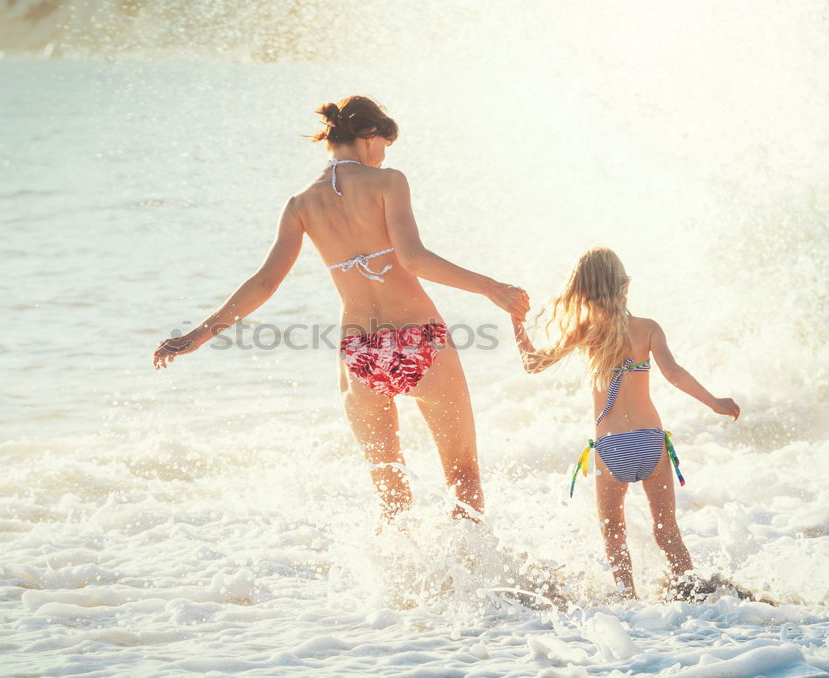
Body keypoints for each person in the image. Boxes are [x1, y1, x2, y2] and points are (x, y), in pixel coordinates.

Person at [154, 95, 529, 521]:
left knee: (391, 495)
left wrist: (199, 335)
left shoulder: (300, 204)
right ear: (370, 136)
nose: (385, 155)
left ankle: (400, 585)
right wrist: (491, 288)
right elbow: (413, 259)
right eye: (385, 143)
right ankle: (473, 579)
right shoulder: (388, 181)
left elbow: (263, 283)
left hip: (359, 354)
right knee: (462, 476)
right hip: (419, 339)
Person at [510, 247, 739, 599]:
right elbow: (674, 373)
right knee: (667, 531)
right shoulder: (647, 328)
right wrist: (714, 402)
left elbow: (532, 363)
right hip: (650, 442)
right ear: (625, 286)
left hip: (611, 448)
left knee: (613, 531)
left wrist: (516, 321)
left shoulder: (584, 333)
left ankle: (627, 599)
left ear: (581, 292)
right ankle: (694, 593)